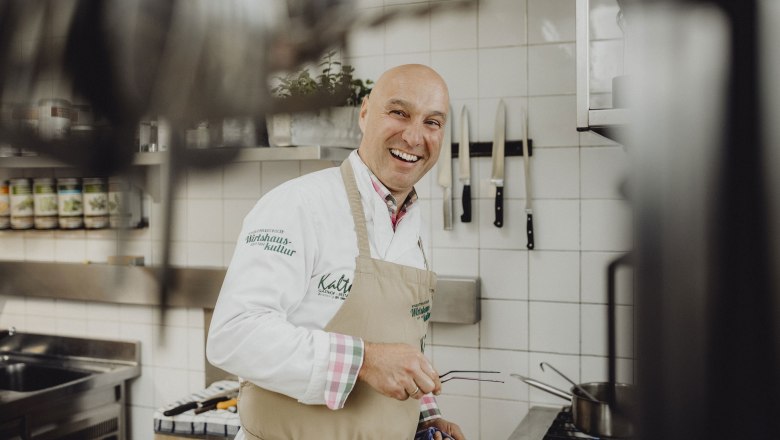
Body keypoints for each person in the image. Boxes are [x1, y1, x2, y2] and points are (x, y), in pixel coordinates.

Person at [207, 64, 465, 440]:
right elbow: (233, 335)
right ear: (364, 114)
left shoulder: (413, 226)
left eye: (433, 122)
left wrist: (422, 414)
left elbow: (403, 344)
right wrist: (364, 361)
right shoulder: (297, 205)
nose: (414, 136)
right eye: (399, 113)